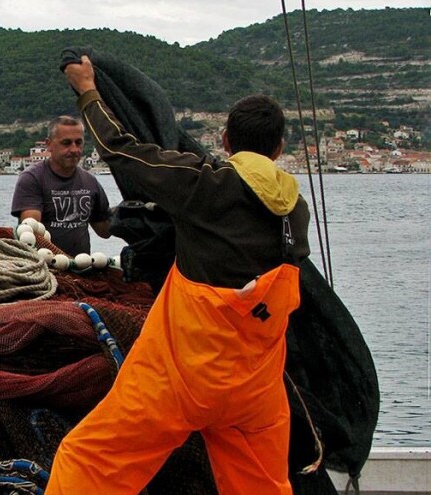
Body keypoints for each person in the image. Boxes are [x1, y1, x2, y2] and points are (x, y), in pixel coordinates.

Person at [46, 55, 311, 494]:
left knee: (88, 463)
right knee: (262, 487)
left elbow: (122, 151)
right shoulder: (295, 212)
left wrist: (88, 90)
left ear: (225, 141)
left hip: (179, 380)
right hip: (255, 393)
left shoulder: (204, 186)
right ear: (279, 148)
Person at [10, 115, 111, 257]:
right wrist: (63, 259)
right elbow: (31, 231)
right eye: (66, 143)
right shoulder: (32, 179)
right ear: (49, 144)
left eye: (78, 143)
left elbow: (104, 231)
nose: (74, 149)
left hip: (81, 266)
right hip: (44, 263)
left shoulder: (90, 182)